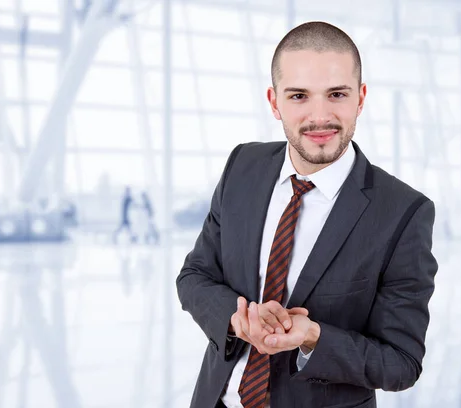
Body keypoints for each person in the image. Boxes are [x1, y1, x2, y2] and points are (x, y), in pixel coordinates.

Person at [175, 21, 438, 408]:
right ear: (274, 100)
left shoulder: (403, 212)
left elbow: (401, 363)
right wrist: (237, 319)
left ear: (360, 98)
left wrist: (314, 337)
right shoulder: (242, 165)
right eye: (299, 96)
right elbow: (195, 276)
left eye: (336, 94)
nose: (320, 116)